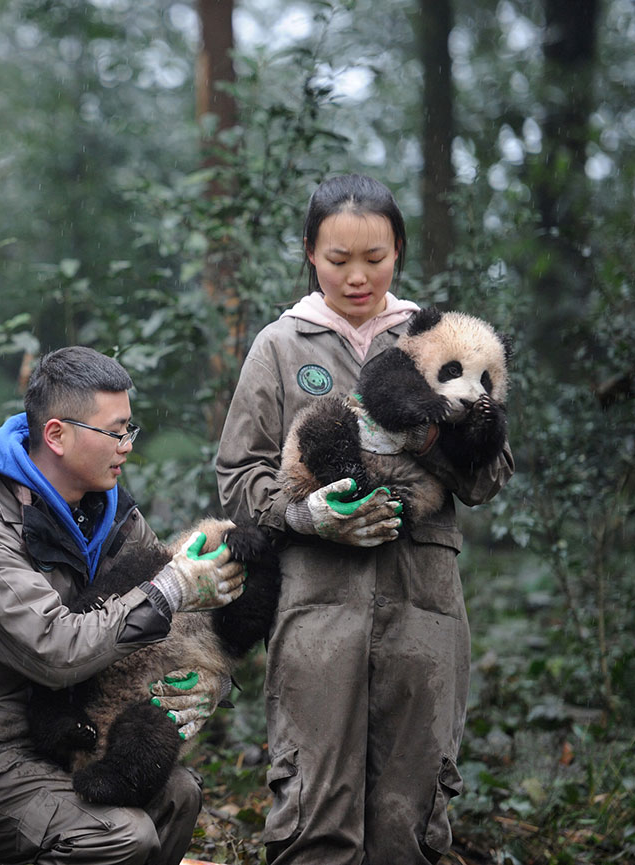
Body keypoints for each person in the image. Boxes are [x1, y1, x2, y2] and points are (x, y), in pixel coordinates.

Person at [215, 174, 514, 864]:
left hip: (425, 605)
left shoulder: (443, 339)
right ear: (309, 254)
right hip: (319, 605)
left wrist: (440, 436)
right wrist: (309, 513)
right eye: (338, 258)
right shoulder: (281, 346)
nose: (357, 276)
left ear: (400, 250)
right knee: (315, 807)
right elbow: (238, 477)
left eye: (374, 258)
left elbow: (492, 474)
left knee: (410, 812)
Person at [0, 346, 247, 865]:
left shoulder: (118, 519)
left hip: (87, 735)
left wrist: (211, 685)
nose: (127, 446)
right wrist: (170, 590)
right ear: (57, 436)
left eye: (130, 430)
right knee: (121, 834)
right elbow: (55, 651)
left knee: (180, 796)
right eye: (115, 432)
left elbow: (181, 628)